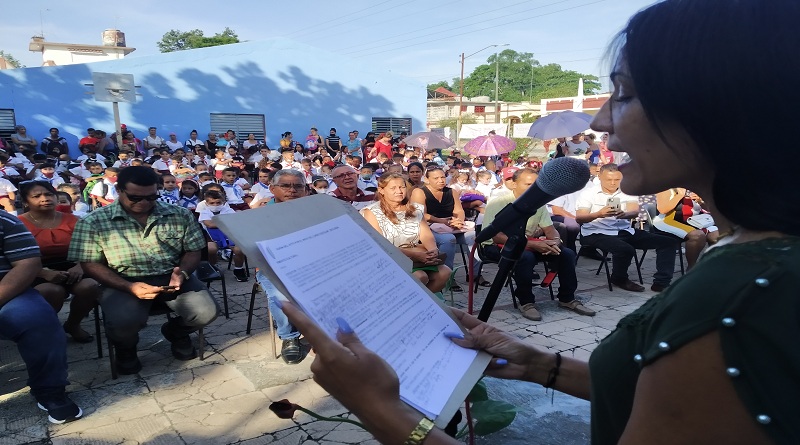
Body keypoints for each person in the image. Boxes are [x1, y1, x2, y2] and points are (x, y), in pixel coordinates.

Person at [277, 1, 800, 444]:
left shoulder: (744, 294)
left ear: (719, 105)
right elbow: (664, 391)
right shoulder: (749, 252)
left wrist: (378, 408)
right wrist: (539, 365)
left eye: (623, 93)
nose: (601, 121)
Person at [67, 166, 218, 375]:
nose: (144, 203)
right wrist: (128, 286)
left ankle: (176, 332)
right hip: (121, 280)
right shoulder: (93, 222)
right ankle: (126, 348)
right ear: (119, 190)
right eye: (135, 198)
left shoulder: (179, 214)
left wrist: (182, 272)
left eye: (151, 197)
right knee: (123, 322)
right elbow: (90, 263)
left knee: (206, 312)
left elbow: (193, 250)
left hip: (171, 276)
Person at [0, 211, 84, 424]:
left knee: (38, 320)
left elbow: (27, 263)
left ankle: (49, 390)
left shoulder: (5, 221)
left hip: (7, 292)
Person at [481, 168, 595, 321]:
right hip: (496, 245)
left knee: (566, 254)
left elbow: (550, 229)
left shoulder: (538, 203)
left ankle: (567, 298)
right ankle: (526, 302)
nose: (533, 188)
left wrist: (555, 241)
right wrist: (533, 245)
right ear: (514, 184)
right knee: (525, 257)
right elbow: (496, 236)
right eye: (528, 184)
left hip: (527, 243)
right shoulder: (498, 202)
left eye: (535, 184)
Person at [18, 181, 100, 343]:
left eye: (49, 194)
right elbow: (14, 258)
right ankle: (48, 328)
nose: (45, 198)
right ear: (26, 202)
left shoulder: (74, 220)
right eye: (37, 196)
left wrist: (81, 266)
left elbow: (92, 247)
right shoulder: (17, 224)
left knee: (90, 286)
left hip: (73, 266)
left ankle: (73, 324)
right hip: (34, 269)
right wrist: (44, 273)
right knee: (52, 291)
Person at [576, 163, 677, 292]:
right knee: (625, 249)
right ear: (599, 177)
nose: (613, 183)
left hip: (624, 230)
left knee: (668, 242)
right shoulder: (588, 193)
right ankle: (619, 278)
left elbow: (634, 211)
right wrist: (599, 214)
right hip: (596, 232)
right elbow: (580, 218)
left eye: (617, 179)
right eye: (609, 179)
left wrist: (624, 214)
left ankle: (661, 282)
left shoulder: (626, 191)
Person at [254, 169, 310, 364]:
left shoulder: (312, 212)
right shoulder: (259, 215)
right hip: (272, 268)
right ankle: (289, 336)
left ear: (305, 190)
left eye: (298, 186)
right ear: (272, 189)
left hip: (309, 264)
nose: (292, 190)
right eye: (285, 186)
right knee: (281, 296)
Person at [361, 173, 451, 293]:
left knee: (445, 272)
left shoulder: (415, 208)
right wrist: (415, 255)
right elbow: (381, 244)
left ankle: (425, 300)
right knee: (420, 276)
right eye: (393, 188)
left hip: (417, 256)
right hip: (391, 257)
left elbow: (426, 235)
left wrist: (433, 250)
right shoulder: (372, 212)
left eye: (402, 187)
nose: (399, 191)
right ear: (381, 190)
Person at [410, 168, 486, 290]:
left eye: (442, 177)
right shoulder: (420, 192)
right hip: (430, 227)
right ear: (427, 180)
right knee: (448, 239)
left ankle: (475, 274)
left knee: (472, 237)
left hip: (451, 225)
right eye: (436, 178)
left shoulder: (451, 191)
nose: (441, 180)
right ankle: (448, 276)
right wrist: (442, 221)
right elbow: (421, 214)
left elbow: (459, 210)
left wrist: (458, 220)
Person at [652, 188, 719, 269]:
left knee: (718, 235)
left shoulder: (693, 186)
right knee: (698, 236)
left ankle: (713, 266)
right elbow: (662, 209)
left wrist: (700, 201)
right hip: (669, 220)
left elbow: (707, 209)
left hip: (695, 220)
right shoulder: (668, 187)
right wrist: (680, 195)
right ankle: (691, 268)